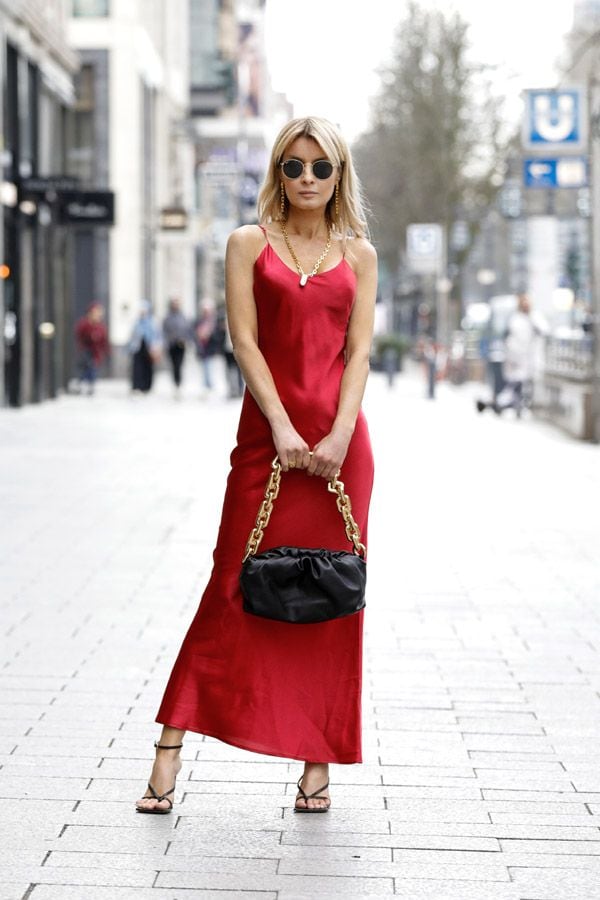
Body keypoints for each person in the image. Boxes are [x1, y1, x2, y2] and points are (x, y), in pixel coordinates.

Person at [135, 116, 377, 815]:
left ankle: (317, 763)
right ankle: (168, 756)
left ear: (338, 175)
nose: (306, 179)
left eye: (320, 167)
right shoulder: (247, 243)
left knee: (333, 599)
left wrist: (336, 436)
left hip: (340, 451)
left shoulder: (359, 254)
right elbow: (245, 342)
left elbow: (356, 354)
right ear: (277, 172)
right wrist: (280, 427)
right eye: (293, 166)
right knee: (231, 588)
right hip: (264, 442)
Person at [495, 293, 546, 417]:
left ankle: (511, 405)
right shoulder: (514, 319)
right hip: (515, 357)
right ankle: (505, 404)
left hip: (530, 357)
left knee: (524, 384)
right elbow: (507, 337)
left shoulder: (535, 317)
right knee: (515, 383)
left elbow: (543, 331)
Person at [74, 303, 109, 395]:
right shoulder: (84, 324)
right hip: (86, 350)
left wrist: (106, 351)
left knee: (93, 368)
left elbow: (104, 340)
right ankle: (81, 384)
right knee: (86, 368)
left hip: (96, 351)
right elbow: (79, 335)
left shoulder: (100, 326)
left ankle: (90, 385)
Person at [129, 300, 162, 394]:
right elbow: (132, 335)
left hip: (150, 348)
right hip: (138, 348)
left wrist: (157, 347)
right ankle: (137, 386)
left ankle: (147, 387)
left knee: (148, 368)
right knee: (137, 368)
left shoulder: (153, 322)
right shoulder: (136, 322)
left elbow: (158, 335)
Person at [162, 298, 190, 399]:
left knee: (179, 365)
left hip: (181, 345)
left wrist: (185, 340)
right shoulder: (167, 317)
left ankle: (179, 383)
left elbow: (187, 330)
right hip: (171, 345)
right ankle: (175, 383)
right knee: (173, 366)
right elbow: (164, 331)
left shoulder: (183, 317)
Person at [193, 298, 220, 395]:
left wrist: (209, 334)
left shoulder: (214, 322)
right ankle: (207, 384)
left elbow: (217, 335)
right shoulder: (199, 321)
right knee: (205, 366)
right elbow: (194, 333)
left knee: (209, 366)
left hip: (210, 348)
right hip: (202, 348)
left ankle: (209, 384)